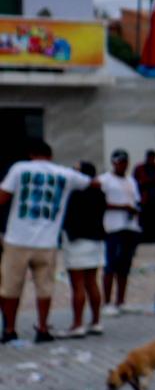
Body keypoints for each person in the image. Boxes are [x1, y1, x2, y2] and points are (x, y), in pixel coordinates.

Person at [0, 139, 96, 343]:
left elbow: (2, 197)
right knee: (44, 288)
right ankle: (43, 328)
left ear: (30, 154)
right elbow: (92, 183)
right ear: (50, 156)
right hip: (47, 241)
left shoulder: (19, 169)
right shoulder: (65, 173)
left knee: (11, 287)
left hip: (17, 239)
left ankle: (9, 329)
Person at [62, 161, 107, 336]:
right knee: (92, 282)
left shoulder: (74, 193)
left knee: (78, 284)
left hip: (77, 240)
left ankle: (77, 324)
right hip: (95, 240)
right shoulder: (99, 193)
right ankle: (96, 322)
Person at [99, 149, 142, 312]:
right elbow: (100, 203)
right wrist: (122, 207)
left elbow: (136, 201)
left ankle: (121, 300)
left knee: (124, 266)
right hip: (113, 227)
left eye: (124, 162)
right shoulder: (105, 180)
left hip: (130, 227)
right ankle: (107, 301)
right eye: (119, 162)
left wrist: (134, 210)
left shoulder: (131, 181)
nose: (122, 165)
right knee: (111, 265)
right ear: (113, 163)